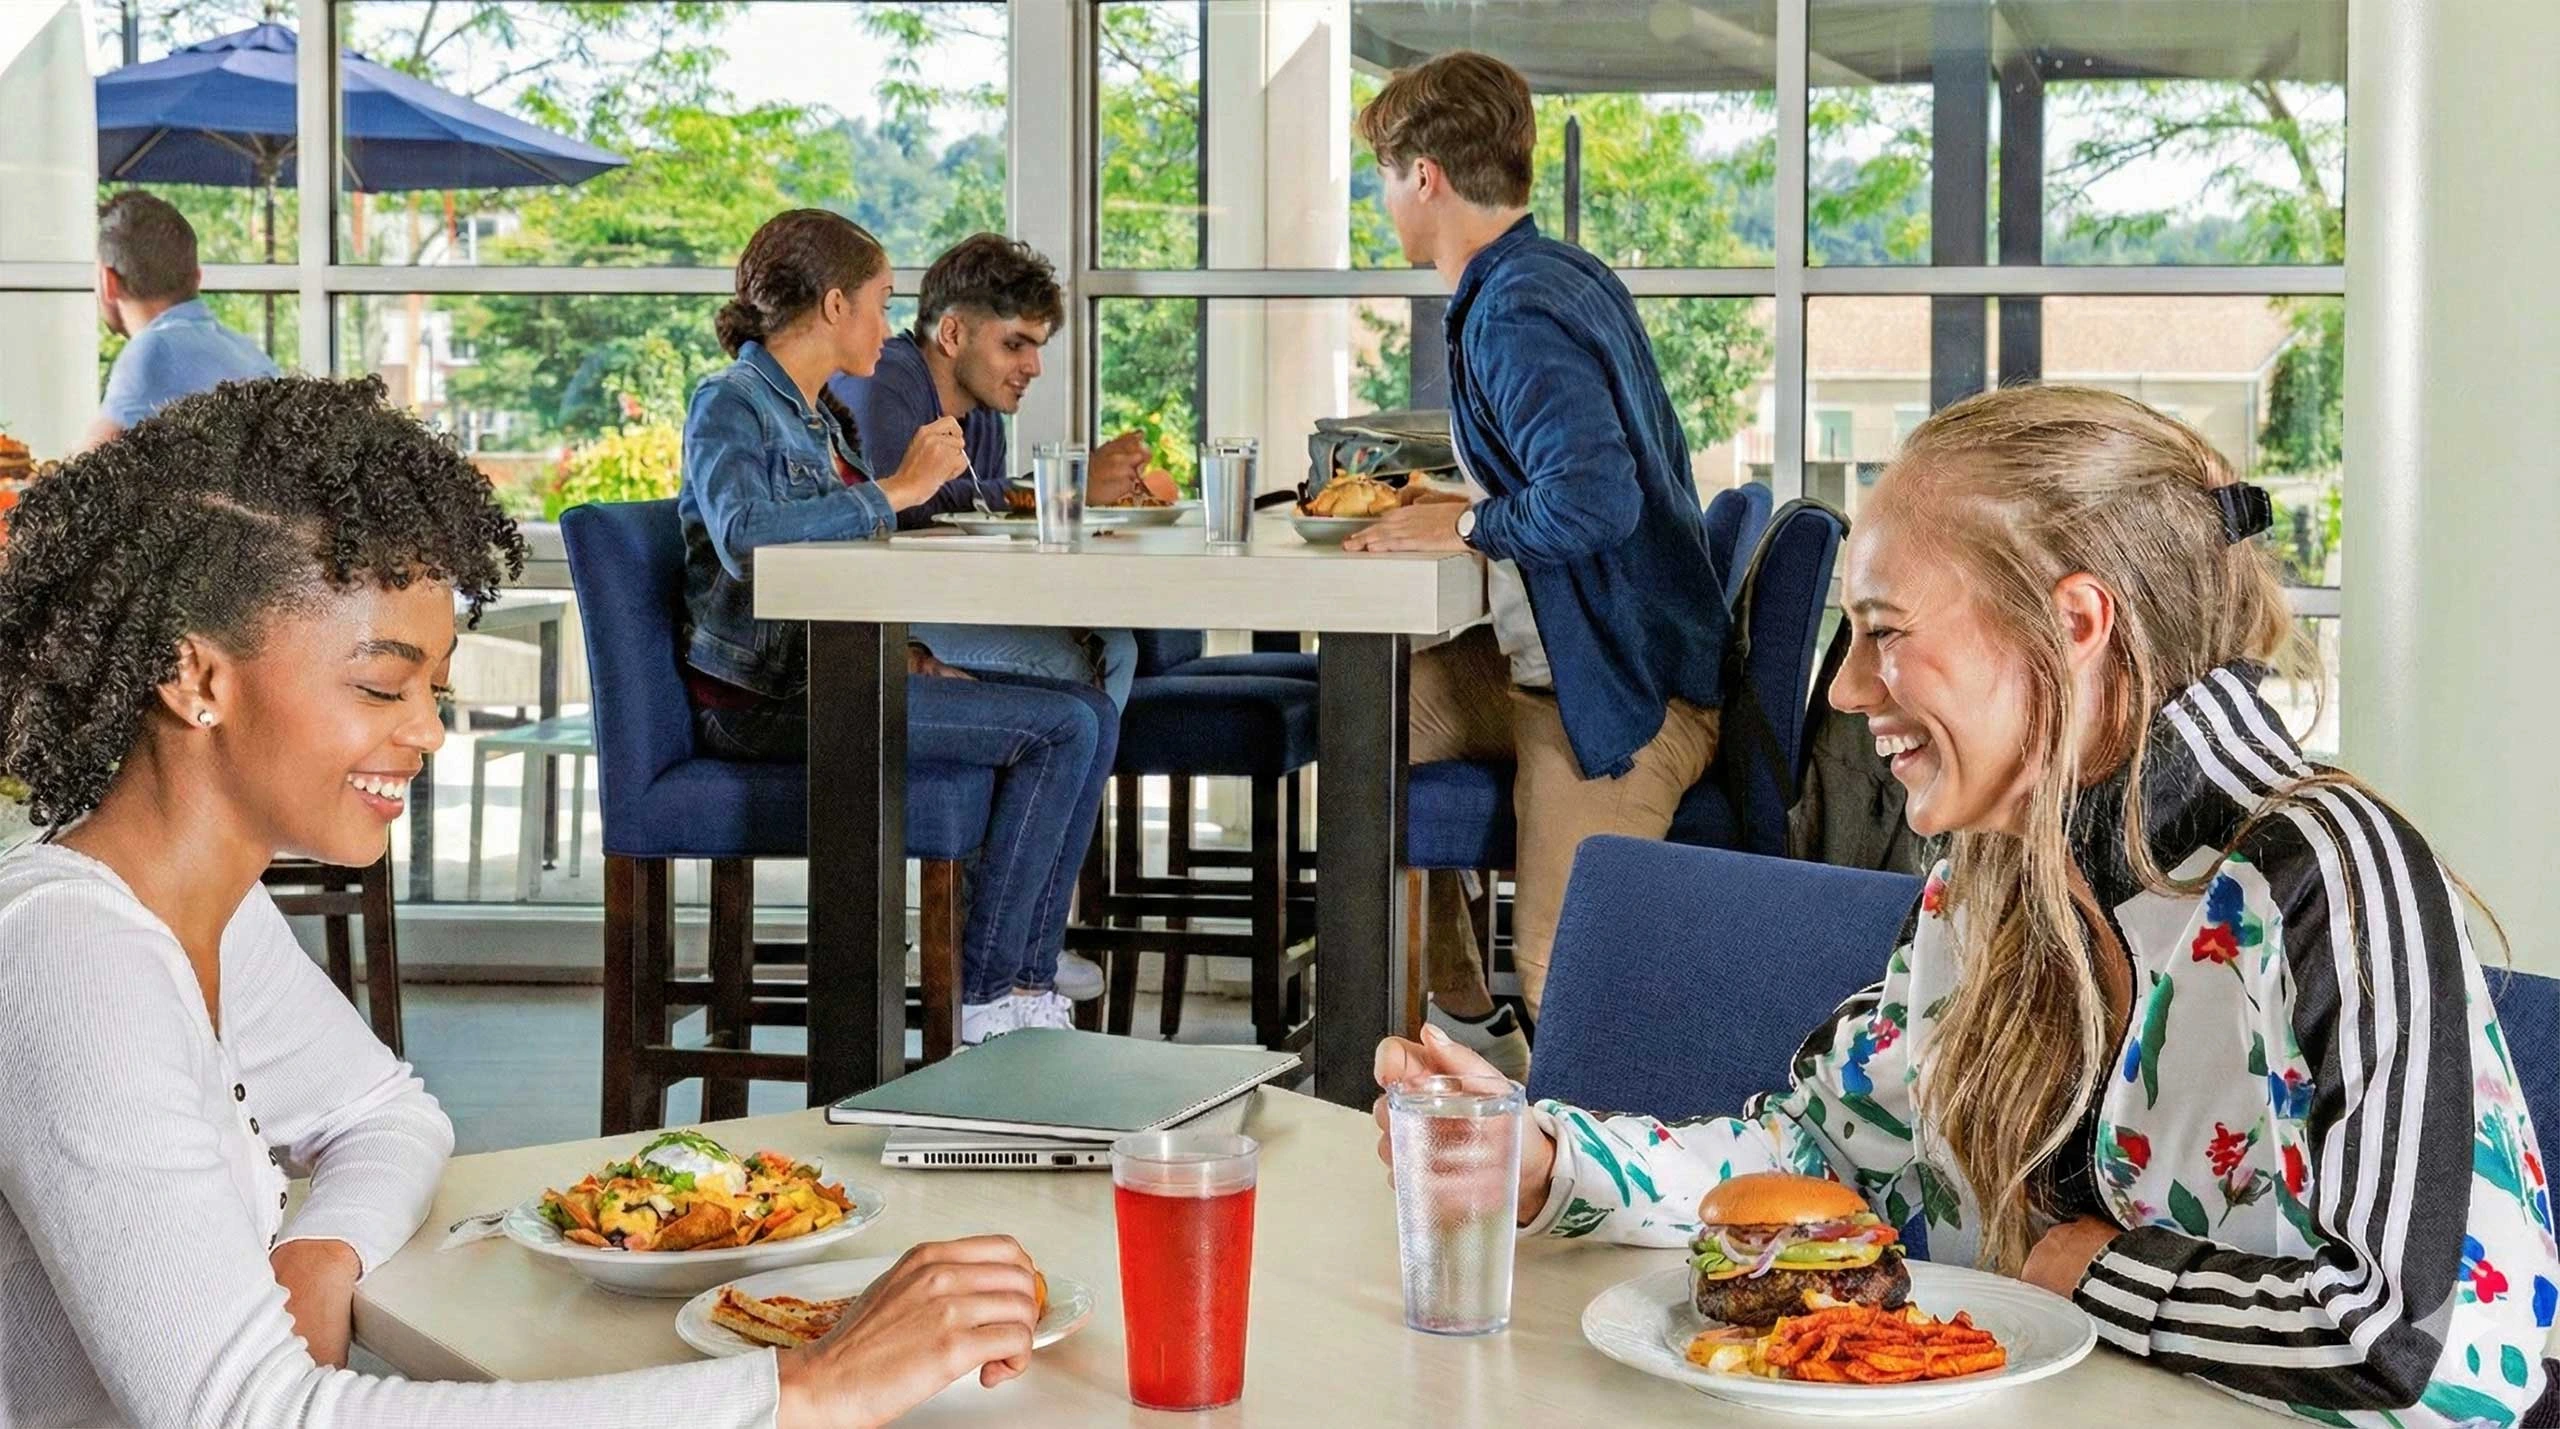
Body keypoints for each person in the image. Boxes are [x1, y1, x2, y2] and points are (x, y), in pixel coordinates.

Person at [1373, 385, 2560, 1427]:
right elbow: (1824, 1159)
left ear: (2076, 625)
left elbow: (2411, 1340)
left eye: (1884, 633)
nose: (1842, 688)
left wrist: (2081, 1269)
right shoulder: (1983, 875)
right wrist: (1542, 1161)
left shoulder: (2329, 872)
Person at [0, 375, 1044, 1426]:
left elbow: (384, 1111)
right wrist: (806, 1390)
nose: (427, 732)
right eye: (381, 685)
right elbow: (243, 1416)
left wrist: (319, 1251)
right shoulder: (73, 960)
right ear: (197, 679)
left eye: (434, 690)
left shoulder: (204, 909)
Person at [1343, 51, 1731, 1077]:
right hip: (1562, 654)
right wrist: (1457, 505)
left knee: (1567, 968)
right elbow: (1569, 474)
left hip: (1617, 693)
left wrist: (1468, 530)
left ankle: (1604, 1181)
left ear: (1423, 176)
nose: (1383, 200)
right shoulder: (1547, 273)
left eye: (1383, 177)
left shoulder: (1513, 309)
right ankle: (1466, 1019)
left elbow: (1593, 500)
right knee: (1357, 730)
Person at [680, 208, 1116, 1026]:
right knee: (1061, 726)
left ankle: (1025, 987)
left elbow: (847, 568)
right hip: (767, 702)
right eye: (881, 301)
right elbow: (745, 537)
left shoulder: (818, 416)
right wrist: (896, 491)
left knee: (1087, 713)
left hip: (840, 673)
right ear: (835, 305)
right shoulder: (730, 402)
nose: (890, 324)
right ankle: (987, 1001)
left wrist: (911, 648)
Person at [830, 233, 1144, 710]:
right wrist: (1062, 489)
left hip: (936, 603)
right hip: (868, 620)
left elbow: (976, 531)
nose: (1034, 366)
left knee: (1115, 643)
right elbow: (901, 511)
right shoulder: (884, 381)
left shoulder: (980, 416)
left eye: (1037, 347)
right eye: (1015, 344)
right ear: (952, 334)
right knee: (1079, 661)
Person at [80, 191, 280, 452]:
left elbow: (82, 472)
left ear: (108, 281)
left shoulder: (154, 349)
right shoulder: (251, 354)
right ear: (197, 277)